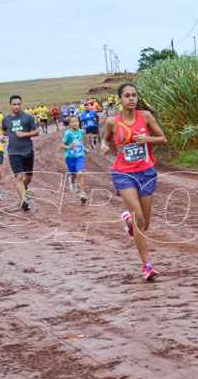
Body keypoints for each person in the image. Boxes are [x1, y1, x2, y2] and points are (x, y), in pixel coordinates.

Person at [101, 82, 167, 280]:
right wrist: (104, 147)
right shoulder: (113, 122)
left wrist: (147, 139)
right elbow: (106, 140)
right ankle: (147, 265)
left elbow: (163, 139)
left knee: (144, 224)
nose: (131, 99)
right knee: (139, 219)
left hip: (146, 172)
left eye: (134, 95)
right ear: (120, 99)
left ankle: (127, 221)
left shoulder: (145, 116)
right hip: (123, 173)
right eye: (127, 96)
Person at [2, 95, 41, 211]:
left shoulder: (28, 117)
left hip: (28, 151)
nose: (16, 106)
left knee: (28, 177)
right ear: (10, 105)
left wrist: (25, 134)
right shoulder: (6, 119)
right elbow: (3, 129)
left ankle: (25, 187)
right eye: (14, 104)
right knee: (19, 177)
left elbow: (37, 131)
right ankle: (24, 201)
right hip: (13, 152)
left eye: (18, 104)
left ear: (21, 104)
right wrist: (1, 136)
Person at [61, 115, 88, 204]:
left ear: (78, 122)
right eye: (72, 122)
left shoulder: (81, 132)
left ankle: (83, 194)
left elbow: (80, 142)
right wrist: (69, 146)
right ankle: (72, 180)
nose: (75, 123)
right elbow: (62, 145)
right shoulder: (68, 133)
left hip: (80, 156)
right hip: (70, 157)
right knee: (73, 175)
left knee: (80, 173)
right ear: (69, 124)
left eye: (76, 121)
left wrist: (84, 148)